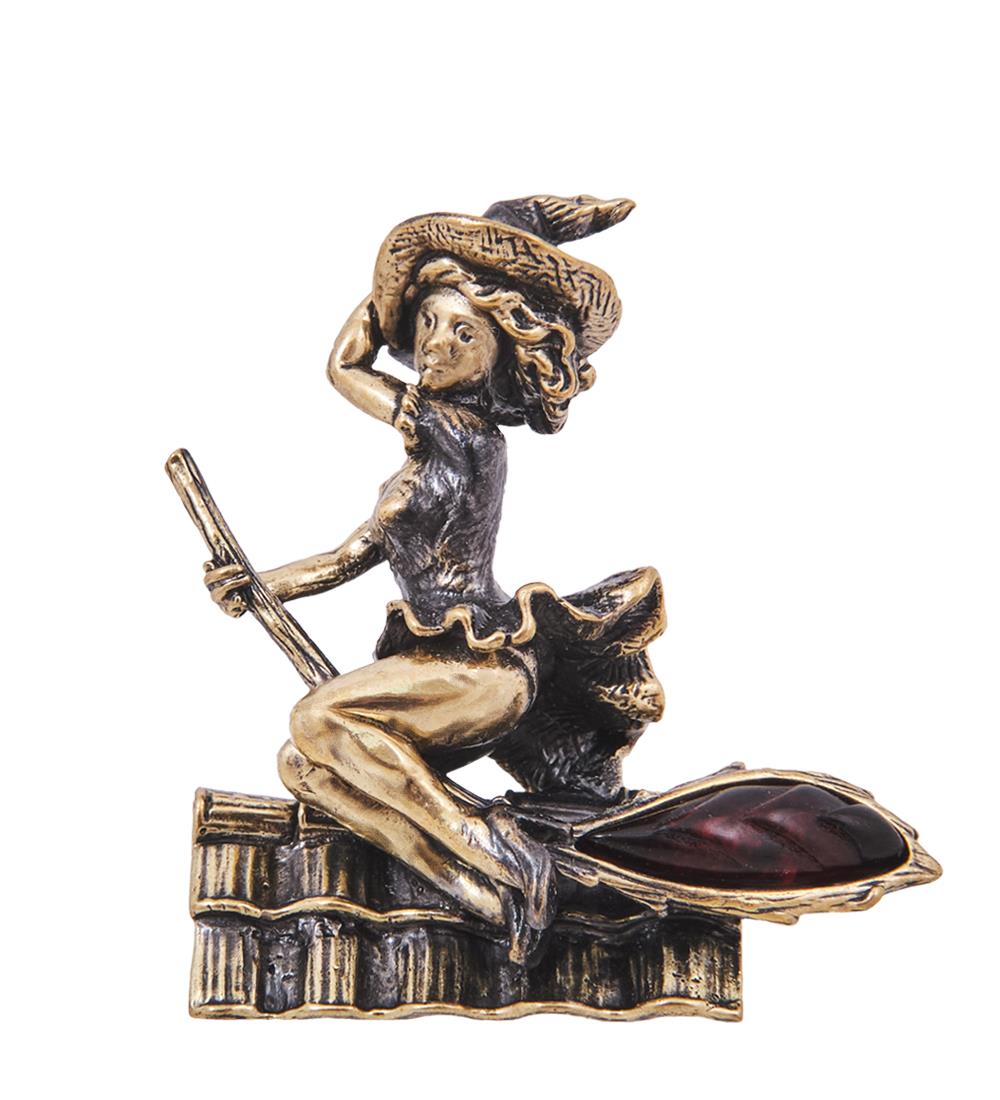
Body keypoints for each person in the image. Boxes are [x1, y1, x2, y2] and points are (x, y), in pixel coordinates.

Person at [204, 195, 666, 964]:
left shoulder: (461, 432)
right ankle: (482, 894)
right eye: (424, 323)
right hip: (440, 667)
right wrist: (256, 586)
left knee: (316, 720)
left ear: (505, 354)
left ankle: (498, 848)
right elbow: (347, 557)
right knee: (308, 767)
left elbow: (344, 367)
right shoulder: (418, 468)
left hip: (476, 668)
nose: (433, 345)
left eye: (463, 332)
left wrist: (393, 292)